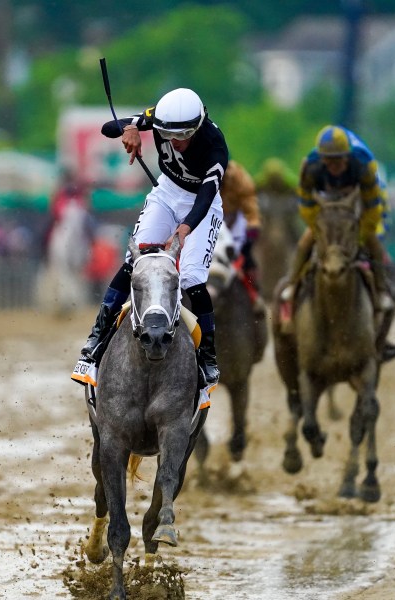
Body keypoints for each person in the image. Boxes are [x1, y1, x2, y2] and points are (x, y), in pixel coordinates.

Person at [71, 87, 227, 389]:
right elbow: (109, 127)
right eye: (169, 136)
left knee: (192, 279)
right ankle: (97, 337)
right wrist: (129, 130)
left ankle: (207, 354)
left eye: (182, 137)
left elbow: (207, 195)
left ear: (196, 128)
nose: (175, 143)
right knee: (135, 261)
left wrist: (186, 227)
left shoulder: (215, 146)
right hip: (166, 194)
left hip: (202, 205)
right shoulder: (160, 118)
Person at [278, 125, 395, 361]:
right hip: (325, 213)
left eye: (340, 161)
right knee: (306, 242)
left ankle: (381, 290)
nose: (335, 166)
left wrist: (357, 236)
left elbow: (373, 209)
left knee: (373, 242)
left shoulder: (363, 165)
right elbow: (305, 206)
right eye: (330, 161)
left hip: (357, 210)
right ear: (323, 160)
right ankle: (292, 286)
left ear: (348, 157)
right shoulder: (311, 167)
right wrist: (320, 231)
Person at [219, 159, 265, 315]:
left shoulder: (238, 176)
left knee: (246, 259)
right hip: (204, 221)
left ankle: (254, 293)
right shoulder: (193, 171)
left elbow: (250, 202)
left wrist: (252, 226)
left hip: (234, 223)